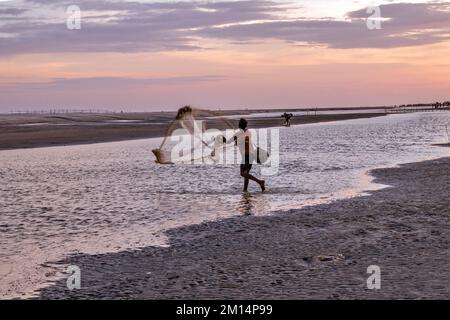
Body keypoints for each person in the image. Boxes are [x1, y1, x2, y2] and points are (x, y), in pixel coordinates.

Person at [233, 118, 265, 192]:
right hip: (251, 155)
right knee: (246, 173)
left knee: (242, 173)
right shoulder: (248, 132)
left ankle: (260, 182)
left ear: (239, 125)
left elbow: (244, 141)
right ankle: (245, 190)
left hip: (247, 155)